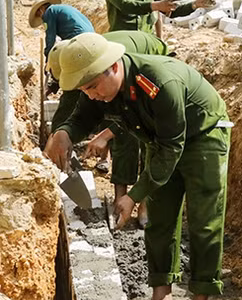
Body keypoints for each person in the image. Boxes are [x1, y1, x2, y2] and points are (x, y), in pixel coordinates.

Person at [45, 33, 231, 300]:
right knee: (159, 219)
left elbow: (172, 148)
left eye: (92, 87)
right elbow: (82, 116)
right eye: (85, 89)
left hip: (203, 135)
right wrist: (64, 132)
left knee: (204, 220)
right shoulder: (99, 86)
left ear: (114, 67)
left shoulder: (158, 83)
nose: (91, 94)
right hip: (161, 139)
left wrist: (133, 195)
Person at [46, 30, 171, 225]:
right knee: (120, 132)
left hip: (151, 70)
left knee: (148, 142)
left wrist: (105, 135)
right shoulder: (82, 66)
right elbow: (70, 109)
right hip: (116, 80)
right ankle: (119, 196)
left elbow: (133, 117)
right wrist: (59, 135)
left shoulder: (109, 63)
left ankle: (146, 203)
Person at [28, 0, 94, 59]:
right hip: (92, 35)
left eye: (38, 14)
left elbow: (50, 37)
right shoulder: (60, 9)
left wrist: (48, 55)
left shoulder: (49, 12)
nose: (41, 17)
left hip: (78, 36)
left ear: (41, 9)